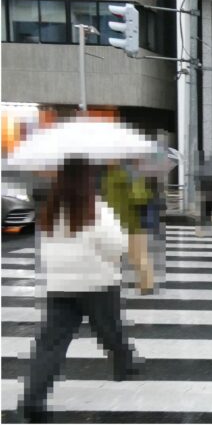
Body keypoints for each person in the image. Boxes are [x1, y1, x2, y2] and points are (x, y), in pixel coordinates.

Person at [20, 158, 139, 422]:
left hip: (60, 286)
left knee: (50, 344)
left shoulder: (52, 209)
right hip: (98, 283)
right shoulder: (96, 208)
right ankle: (125, 363)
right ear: (87, 179)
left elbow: (45, 249)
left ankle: (33, 398)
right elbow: (116, 245)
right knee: (110, 329)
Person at [102, 163, 154, 294]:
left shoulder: (130, 173)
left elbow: (141, 197)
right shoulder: (105, 174)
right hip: (111, 222)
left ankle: (146, 285)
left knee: (137, 256)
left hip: (131, 222)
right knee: (111, 256)